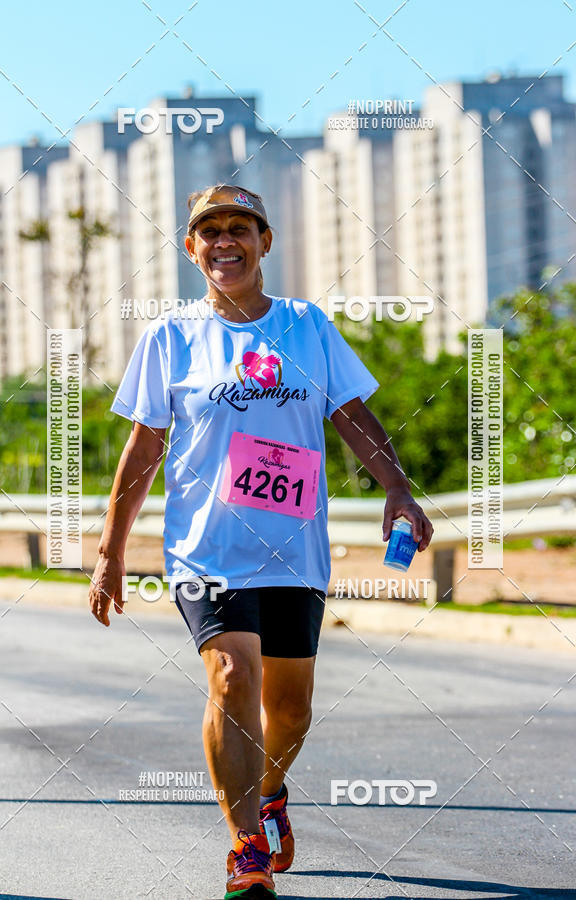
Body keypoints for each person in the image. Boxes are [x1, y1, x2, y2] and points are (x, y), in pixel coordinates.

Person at [88, 184, 433, 899]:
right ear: (191, 249)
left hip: (295, 549)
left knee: (292, 707)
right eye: (208, 232)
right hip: (206, 550)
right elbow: (144, 445)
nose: (224, 242)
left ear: (264, 240)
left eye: (238, 228)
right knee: (231, 678)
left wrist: (398, 488)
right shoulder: (171, 336)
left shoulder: (307, 327)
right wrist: (110, 550)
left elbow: (352, 413)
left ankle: (269, 788)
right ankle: (245, 847)